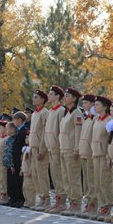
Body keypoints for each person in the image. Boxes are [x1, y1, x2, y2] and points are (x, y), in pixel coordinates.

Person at [60, 88, 84, 216]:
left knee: (73, 177)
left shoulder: (77, 112)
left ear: (74, 98)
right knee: (66, 177)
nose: (65, 98)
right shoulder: (66, 113)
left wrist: (77, 149)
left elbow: (78, 132)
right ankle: (71, 201)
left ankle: (76, 202)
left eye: (67, 96)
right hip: (64, 148)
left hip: (71, 149)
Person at [44, 85, 67, 214]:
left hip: (57, 147)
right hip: (50, 147)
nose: (49, 96)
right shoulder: (51, 111)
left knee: (59, 174)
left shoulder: (60, 111)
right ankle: (57, 199)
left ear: (58, 96)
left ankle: (62, 201)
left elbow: (60, 130)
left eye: (51, 94)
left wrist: (58, 145)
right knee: (54, 174)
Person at [91, 96, 113, 220]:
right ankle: (101, 204)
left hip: (104, 154)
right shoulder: (97, 119)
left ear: (105, 106)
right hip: (96, 153)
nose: (95, 107)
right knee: (98, 182)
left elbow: (110, 140)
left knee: (105, 182)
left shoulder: (109, 120)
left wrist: (109, 155)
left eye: (98, 104)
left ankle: (107, 205)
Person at [29, 89, 50, 211]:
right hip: (33, 146)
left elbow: (44, 133)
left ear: (43, 100)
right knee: (36, 174)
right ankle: (40, 196)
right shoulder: (35, 113)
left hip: (40, 148)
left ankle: (45, 198)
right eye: (33, 97)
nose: (33, 99)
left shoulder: (44, 113)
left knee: (42, 174)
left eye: (36, 97)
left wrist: (42, 150)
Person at [77, 94, 97, 218]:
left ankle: (93, 203)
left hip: (90, 153)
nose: (84, 105)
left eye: (86, 103)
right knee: (86, 181)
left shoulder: (94, 118)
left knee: (91, 180)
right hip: (83, 152)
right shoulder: (87, 118)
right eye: (83, 103)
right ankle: (89, 202)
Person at [9, 112, 28, 208]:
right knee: (16, 180)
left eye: (14, 120)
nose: (14, 122)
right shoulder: (19, 131)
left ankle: (21, 199)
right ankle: (17, 199)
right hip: (16, 159)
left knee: (20, 180)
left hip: (20, 159)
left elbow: (24, 146)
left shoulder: (24, 131)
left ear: (19, 120)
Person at [0, 120, 9, 203]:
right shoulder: (0, 138)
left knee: (4, 178)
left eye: (0, 128)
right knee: (0, 178)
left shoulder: (7, 139)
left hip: (3, 162)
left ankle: (5, 193)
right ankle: (1, 192)